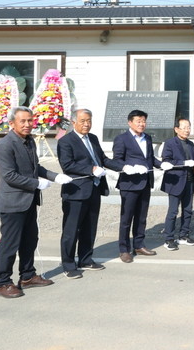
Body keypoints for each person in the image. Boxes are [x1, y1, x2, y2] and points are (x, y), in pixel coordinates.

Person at [0, 106, 71, 298]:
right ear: (11, 123)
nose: (28, 124)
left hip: (29, 200)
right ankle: (3, 282)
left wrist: (55, 176)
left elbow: (36, 167)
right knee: (10, 244)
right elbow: (9, 176)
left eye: (30, 120)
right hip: (13, 202)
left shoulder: (29, 141)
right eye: (23, 121)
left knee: (30, 240)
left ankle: (27, 276)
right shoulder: (5, 145)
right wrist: (36, 183)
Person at [56, 108, 122, 278]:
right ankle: (68, 265)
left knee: (89, 227)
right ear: (74, 122)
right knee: (71, 230)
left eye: (89, 121)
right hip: (76, 192)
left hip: (94, 189)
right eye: (83, 121)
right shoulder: (65, 141)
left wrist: (124, 167)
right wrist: (91, 169)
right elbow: (67, 165)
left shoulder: (92, 138)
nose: (87, 124)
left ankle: (85, 259)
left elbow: (103, 160)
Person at [112, 109, 167, 263]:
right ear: (130, 122)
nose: (142, 124)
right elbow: (117, 160)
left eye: (144, 121)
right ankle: (124, 249)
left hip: (145, 183)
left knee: (141, 217)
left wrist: (162, 164)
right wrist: (130, 167)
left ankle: (139, 245)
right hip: (129, 184)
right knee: (126, 218)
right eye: (138, 121)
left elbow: (150, 159)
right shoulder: (122, 139)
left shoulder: (147, 138)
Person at [160, 118, 194, 250]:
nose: (187, 130)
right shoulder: (170, 143)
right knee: (173, 212)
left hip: (189, 181)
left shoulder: (191, 144)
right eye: (184, 127)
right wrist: (183, 163)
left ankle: (183, 235)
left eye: (189, 127)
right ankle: (169, 239)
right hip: (175, 182)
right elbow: (166, 160)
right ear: (176, 129)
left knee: (188, 210)